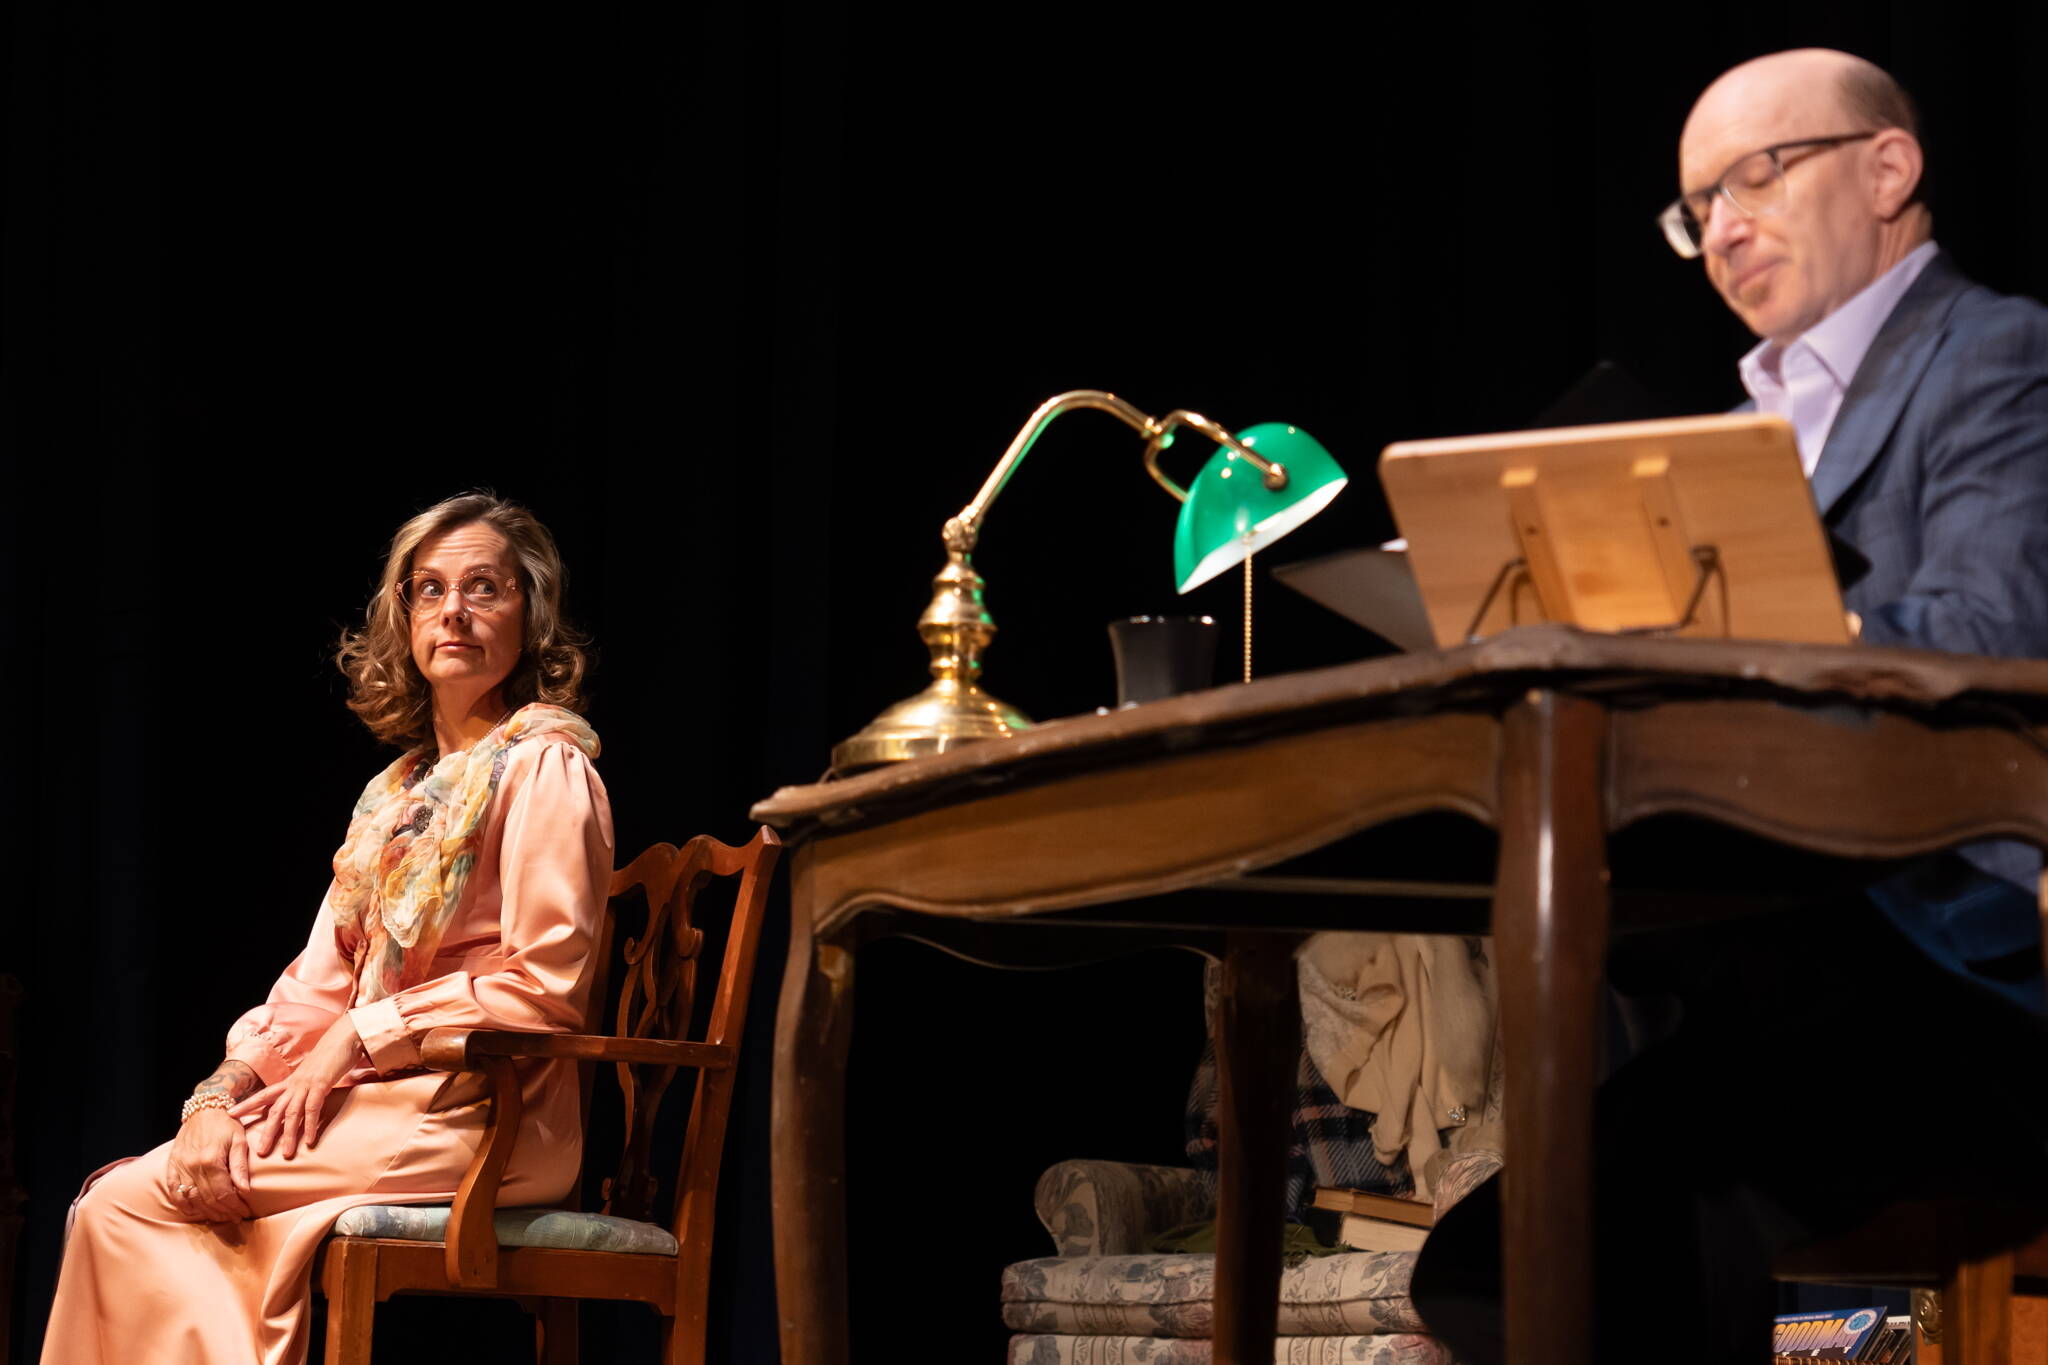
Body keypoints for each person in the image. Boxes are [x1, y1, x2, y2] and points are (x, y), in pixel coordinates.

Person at [1411, 50, 2048, 1365]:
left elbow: (1993, 645)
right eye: (1698, 206)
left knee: (1626, 1258)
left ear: (1889, 169)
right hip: (1762, 955)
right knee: (1483, 1270)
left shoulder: (1997, 353)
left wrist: (1743, 636)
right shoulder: (1735, 430)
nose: (1725, 228)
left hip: (1940, 965)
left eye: (1761, 173)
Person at [40, 492, 615, 1364]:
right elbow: (316, 984)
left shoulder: (547, 767)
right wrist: (216, 1097)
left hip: (493, 1114)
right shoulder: (397, 794)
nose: (452, 610)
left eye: (484, 587)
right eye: (428, 590)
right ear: (404, 619)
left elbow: (546, 983)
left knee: (129, 1205)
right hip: (390, 1102)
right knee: (155, 1187)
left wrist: (363, 1030)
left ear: (530, 617)